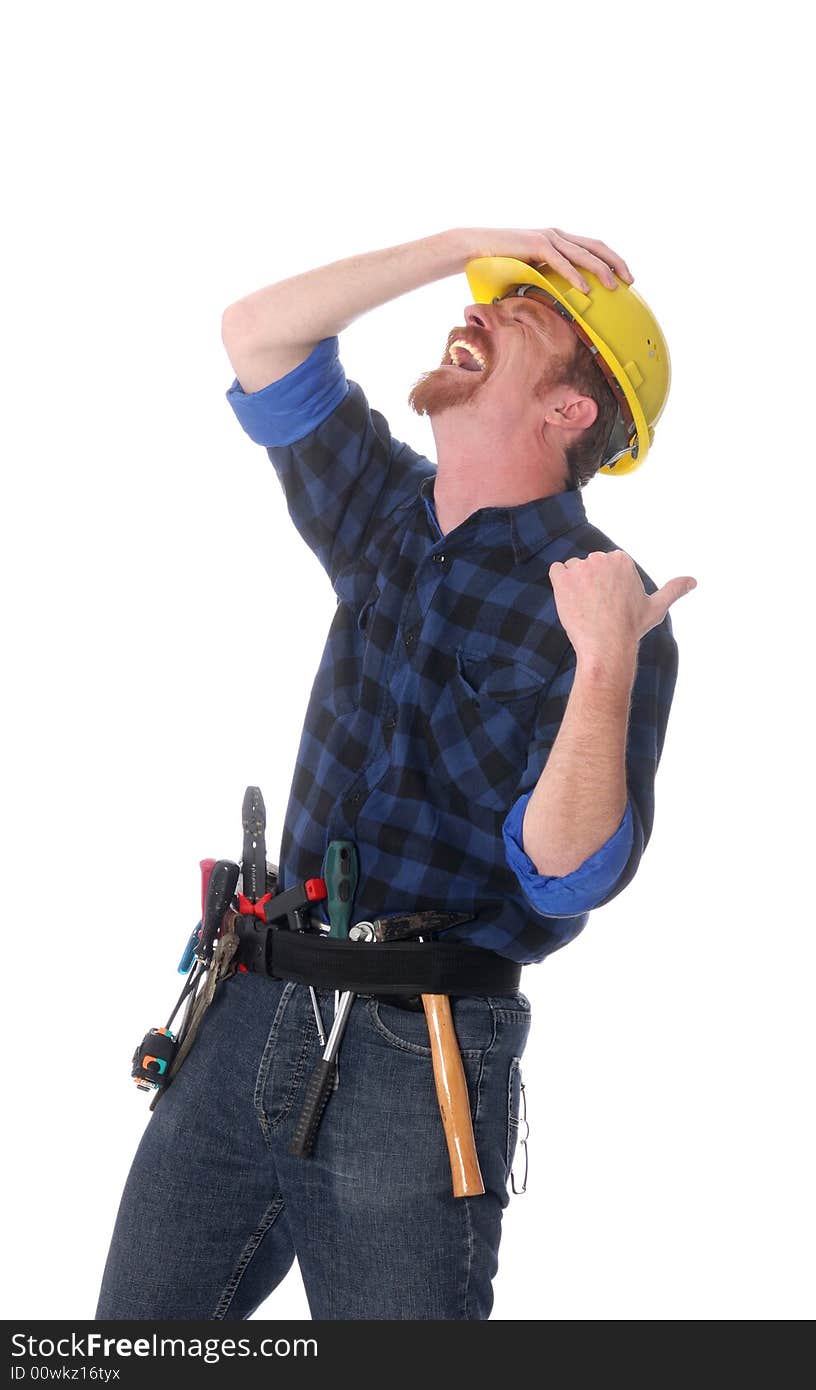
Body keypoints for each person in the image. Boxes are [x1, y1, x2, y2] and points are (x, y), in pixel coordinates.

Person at [95, 226, 695, 1321]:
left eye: (518, 318)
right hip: (246, 1006)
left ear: (570, 410)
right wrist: (472, 245)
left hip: (411, 1063)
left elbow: (565, 875)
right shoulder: (383, 510)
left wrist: (605, 659)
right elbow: (258, 335)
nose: (470, 313)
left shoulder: (607, 608)